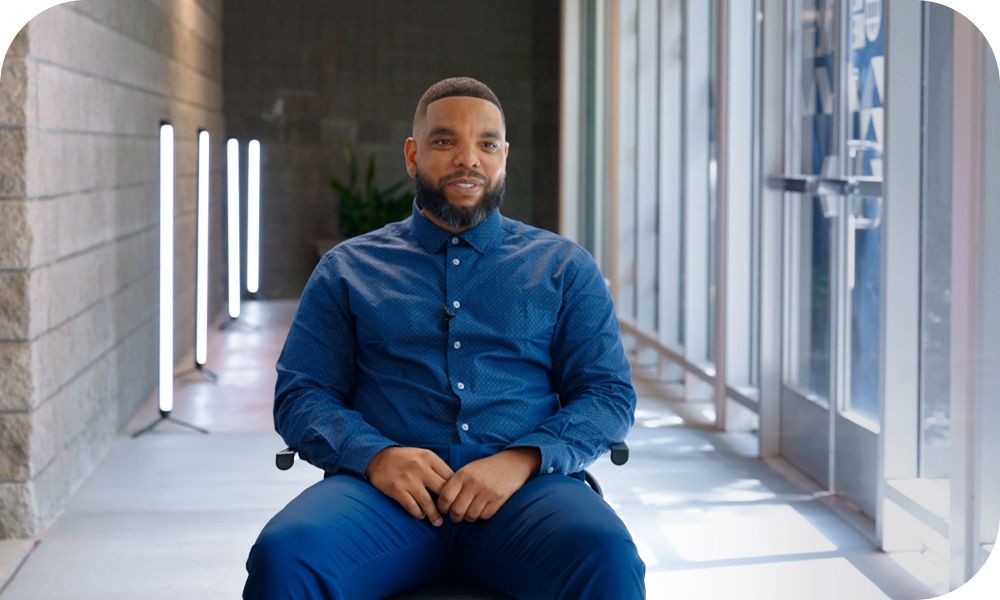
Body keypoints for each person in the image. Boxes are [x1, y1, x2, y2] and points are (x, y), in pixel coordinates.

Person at [244, 77, 645, 599]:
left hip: (525, 492)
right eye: (444, 141)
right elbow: (301, 395)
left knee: (606, 555)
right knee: (285, 555)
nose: (468, 159)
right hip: (384, 497)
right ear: (413, 155)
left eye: (487, 143)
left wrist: (523, 458)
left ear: (504, 157)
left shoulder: (564, 268)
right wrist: (376, 456)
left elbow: (608, 394)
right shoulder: (347, 269)